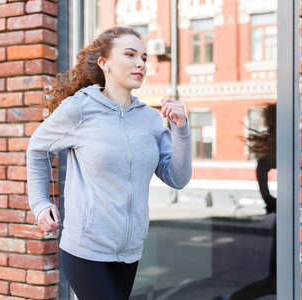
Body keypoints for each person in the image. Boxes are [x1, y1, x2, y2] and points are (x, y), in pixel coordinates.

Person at [26, 27, 192, 300]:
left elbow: (178, 178)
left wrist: (182, 129)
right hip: (85, 250)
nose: (140, 63)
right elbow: (37, 150)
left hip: (129, 253)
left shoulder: (149, 120)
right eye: (130, 54)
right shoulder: (79, 109)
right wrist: (40, 203)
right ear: (105, 63)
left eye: (144, 57)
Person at [214, 103, 277, 300]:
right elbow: (262, 164)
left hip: (296, 217)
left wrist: (269, 200)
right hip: (289, 218)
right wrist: (268, 199)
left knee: (279, 280)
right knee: (275, 281)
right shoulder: (285, 141)